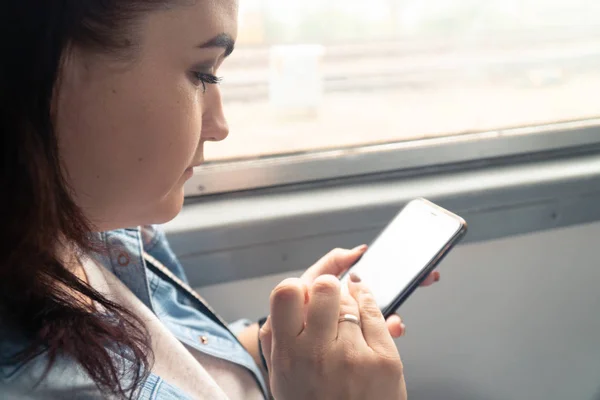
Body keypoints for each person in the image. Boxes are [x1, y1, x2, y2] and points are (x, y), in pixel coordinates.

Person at [0, 1, 440, 399]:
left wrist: (281, 346)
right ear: (48, 65)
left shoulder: (103, 233)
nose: (220, 124)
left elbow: (176, 360)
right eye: (203, 73)